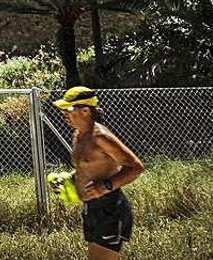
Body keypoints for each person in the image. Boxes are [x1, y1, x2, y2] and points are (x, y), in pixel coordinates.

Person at [53, 86, 145, 260]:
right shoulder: (78, 135)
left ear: (86, 110)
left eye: (69, 109)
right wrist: (69, 180)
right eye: (63, 109)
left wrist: (105, 186)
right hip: (91, 208)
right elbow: (88, 168)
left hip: (110, 208)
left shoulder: (100, 137)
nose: (64, 114)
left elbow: (136, 167)